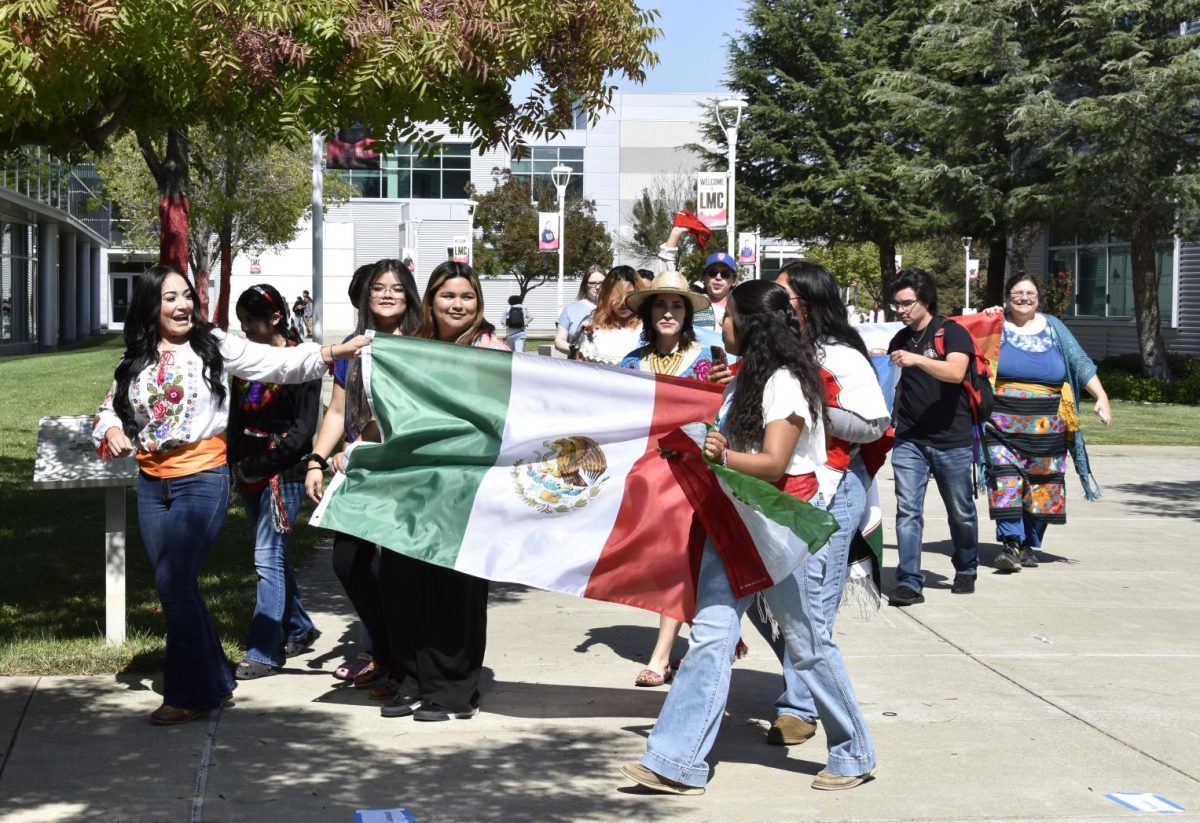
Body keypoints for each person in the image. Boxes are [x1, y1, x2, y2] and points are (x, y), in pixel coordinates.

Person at [622, 280, 877, 795]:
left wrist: (721, 455)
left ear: (752, 325)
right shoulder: (744, 379)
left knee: (808, 645)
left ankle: (853, 752)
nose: (721, 326)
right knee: (712, 638)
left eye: (727, 318)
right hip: (735, 524)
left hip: (781, 531)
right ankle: (676, 762)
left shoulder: (785, 382)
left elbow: (774, 463)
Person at [93, 265, 366, 725]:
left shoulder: (212, 345)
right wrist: (115, 428)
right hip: (151, 481)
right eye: (169, 299)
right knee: (174, 586)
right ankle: (217, 680)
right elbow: (108, 409)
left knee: (175, 584)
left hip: (202, 477)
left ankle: (187, 693)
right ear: (149, 307)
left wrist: (332, 352)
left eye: (185, 296)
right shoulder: (135, 359)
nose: (182, 306)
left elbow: (277, 363)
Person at [748, 260, 891, 746]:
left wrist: (808, 408)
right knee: (768, 599)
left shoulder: (841, 356)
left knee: (812, 609)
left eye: (783, 296)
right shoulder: (773, 353)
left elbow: (874, 424)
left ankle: (800, 707)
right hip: (784, 490)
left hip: (834, 486)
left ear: (807, 304)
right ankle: (804, 688)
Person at [377, 261, 509, 723]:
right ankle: (413, 679)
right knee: (403, 584)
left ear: (479, 302)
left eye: (467, 296)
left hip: (467, 488)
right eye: (448, 296)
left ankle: (453, 690)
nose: (457, 305)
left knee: (455, 588)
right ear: (431, 300)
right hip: (413, 486)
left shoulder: (494, 348)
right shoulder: (410, 348)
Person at [305, 259, 420, 694]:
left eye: (396, 287)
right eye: (378, 288)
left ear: (409, 294)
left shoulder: (422, 345)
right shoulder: (352, 349)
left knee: (400, 572)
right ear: (365, 296)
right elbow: (336, 411)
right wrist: (317, 458)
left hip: (407, 472)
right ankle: (387, 650)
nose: (388, 294)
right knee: (348, 562)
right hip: (360, 470)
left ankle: (403, 665)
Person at [618, 270, 717, 688]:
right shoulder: (632, 362)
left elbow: (724, 411)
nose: (668, 312)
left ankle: (661, 656)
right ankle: (707, 637)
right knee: (663, 560)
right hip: (647, 474)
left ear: (687, 314)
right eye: (660, 304)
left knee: (680, 558)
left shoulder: (711, 360)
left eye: (677, 305)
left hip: (695, 474)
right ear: (648, 312)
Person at [984, 273, 1111, 570]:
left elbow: (1080, 363)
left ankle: (1029, 544)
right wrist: (984, 317)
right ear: (1007, 296)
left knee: (1043, 484)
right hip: (1000, 422)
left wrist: (1101, 397)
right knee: (1005, 479)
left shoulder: (1054, 327)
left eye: (1029, 293)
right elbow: (957, 336)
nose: (1024, 298)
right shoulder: (994, 324)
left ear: (1038, 297)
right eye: (1017, 293)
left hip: (1048, 425)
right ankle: (1011, 543)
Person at [227, 284, 321, 680]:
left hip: (286, 473)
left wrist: (263, 463)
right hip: (247, 470)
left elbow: (302, 432)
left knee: (266, 556)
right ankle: (299, 626)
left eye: (251, 321)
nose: (245, 329)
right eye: (242, 322)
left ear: (276, 319)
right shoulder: (247, 359)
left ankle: (265, 651)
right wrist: (234, 466)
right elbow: (233, 417)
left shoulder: (305, 360)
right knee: (274, 556)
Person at [886, 268, 979, 606]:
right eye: (896, 304)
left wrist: (917, 359)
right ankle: (910, 581)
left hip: (951, 440)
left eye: (906, 303)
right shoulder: (899, 339)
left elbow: (955, 372)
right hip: (910, 439)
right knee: (907, 510)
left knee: (961, 511)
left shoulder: (951, 333)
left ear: (925, 301)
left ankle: (967, 566)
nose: (900, 310)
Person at [573, 266, 643, 364]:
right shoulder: (590, 325)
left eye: (629, 295)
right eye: (617, 295)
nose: (623, 302)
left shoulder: (646, 328)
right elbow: (578, 367)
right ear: (606, 295)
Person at [554, 265, 604, 354]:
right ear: (585, 285)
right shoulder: (570, 310)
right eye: (592, 283)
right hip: (579, 365)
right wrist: (579, 351)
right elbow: (559, 341)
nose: (597, 287)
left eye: (601, 283)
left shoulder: (616, 308)